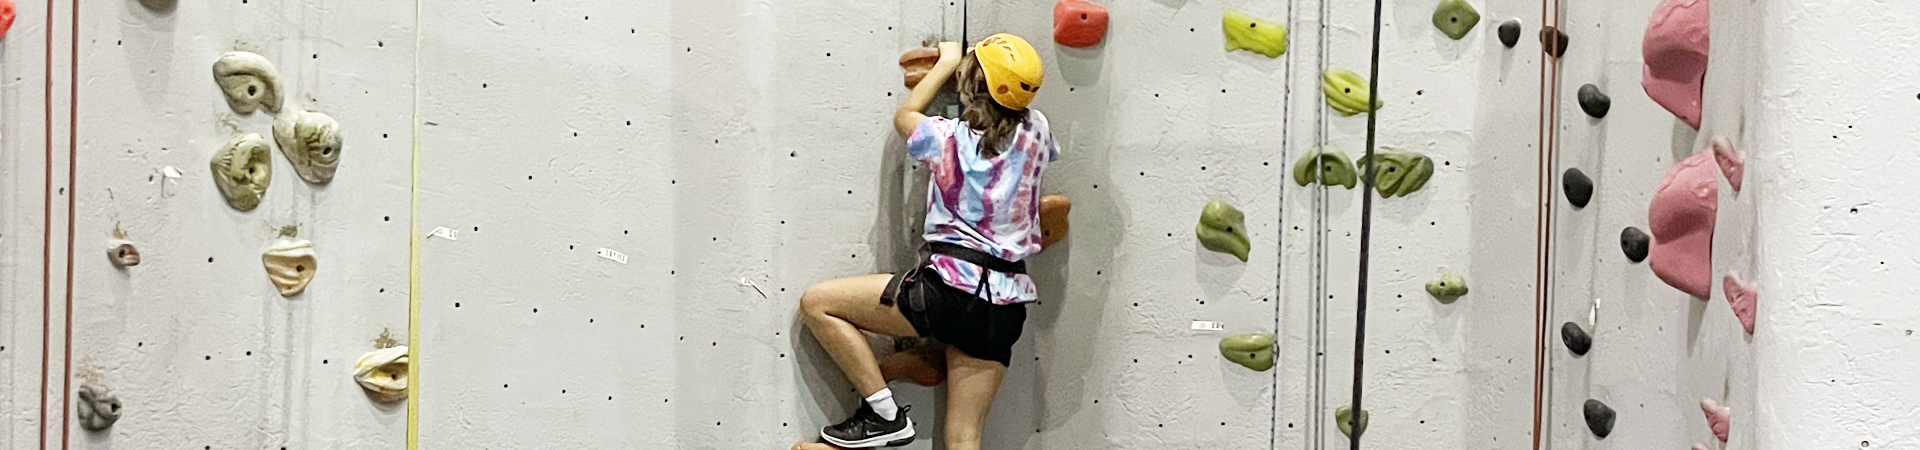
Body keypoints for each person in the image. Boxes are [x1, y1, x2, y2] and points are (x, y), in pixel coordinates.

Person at [793, 33, 1055, 450]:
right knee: (964, 438)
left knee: (818, 303)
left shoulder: (947, 138)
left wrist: (945, 62)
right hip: (1003, 306)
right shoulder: (1038, 131)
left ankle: (883, 414)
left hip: (948, 292)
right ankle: (916, 370)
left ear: (972, 87)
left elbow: (906, 116)